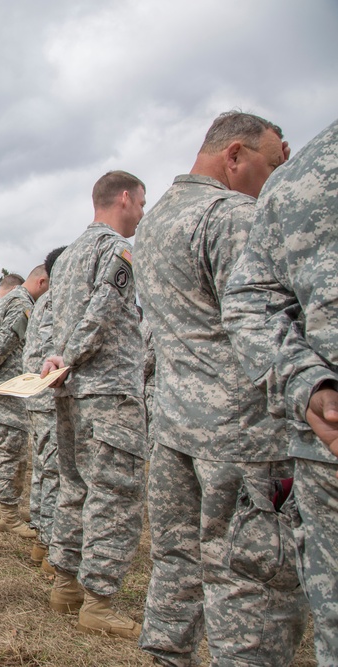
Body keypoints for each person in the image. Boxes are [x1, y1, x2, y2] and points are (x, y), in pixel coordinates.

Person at [135, 111, 307, 665]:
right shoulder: (234, 217)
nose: (276, 180)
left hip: (174, 426)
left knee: (177, 563)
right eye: (273, 164)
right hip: (243, 437)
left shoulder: (155, 219)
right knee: (251, 584)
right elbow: (263, 319)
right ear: (234, 156)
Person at [222, 117, 338, 666]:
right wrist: (305, 381)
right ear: (236, 155)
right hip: (284, 427)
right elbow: (249, 299)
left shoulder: (292, 182)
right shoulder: (287, 187)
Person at [41, 170, 148, 639]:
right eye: (141, 203)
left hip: (71, 390)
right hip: (107, 390)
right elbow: (104, 309)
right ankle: (99, 603)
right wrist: (72, 355)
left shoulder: (66, 258)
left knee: (76, 486)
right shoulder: (116, 249)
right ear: (123, 198)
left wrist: (62, 360)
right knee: (115, 494)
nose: (142, 214)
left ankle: (66, 586)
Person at [0, 267, 49, 539]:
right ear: (42, 281)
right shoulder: (22, 304)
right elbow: (7, 341)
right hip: (5, 386)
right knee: (11, 453)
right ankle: (9, 515)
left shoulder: (4, 301)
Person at [24, 248, 67, 571]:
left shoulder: (40, 305)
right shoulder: (56, 302)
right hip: (50, 396)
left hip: (38, 396)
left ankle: (42, 536)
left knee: (44, 468)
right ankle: (51, 544)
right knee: (53, 471)